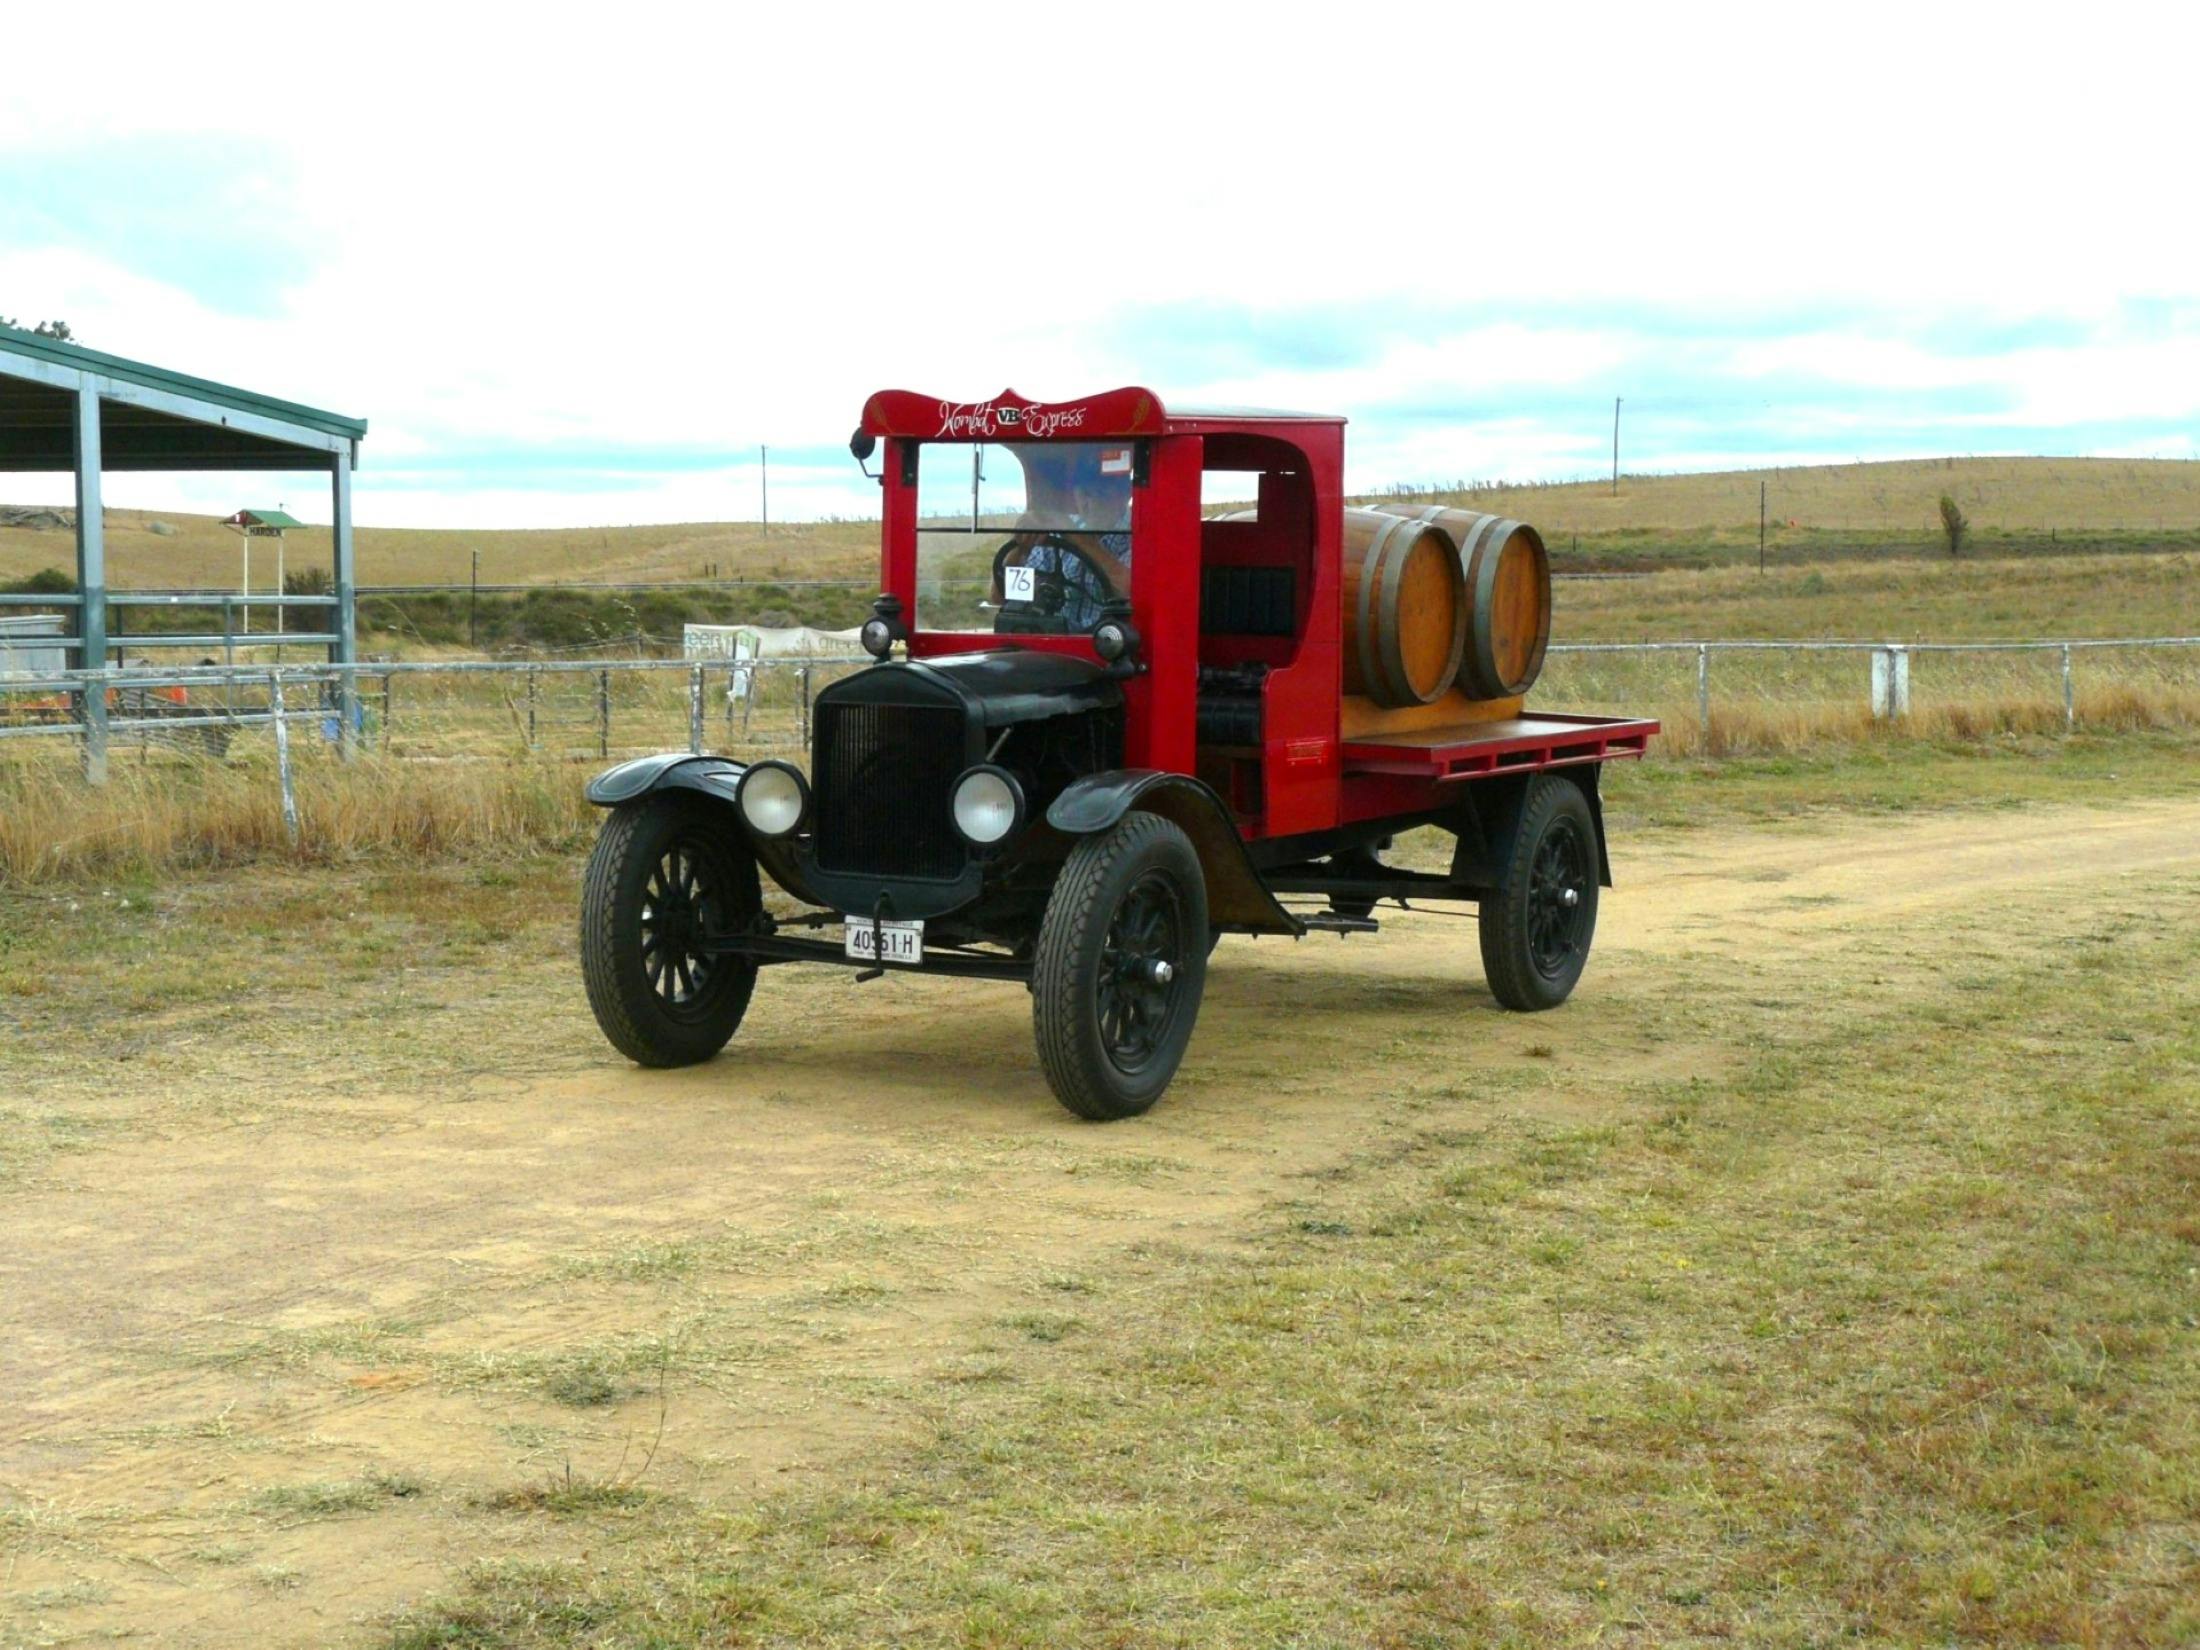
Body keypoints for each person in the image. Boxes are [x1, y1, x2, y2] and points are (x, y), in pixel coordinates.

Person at [997, 445, 1132, 631]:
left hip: (1110, 643)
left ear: (1126, 494)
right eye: (1082, 492)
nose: (1089, 502)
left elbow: (1129, 590)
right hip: (1054, 641)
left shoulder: (1140, 536)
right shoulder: (1058, 536)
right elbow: (1001, 596)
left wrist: (1075, 536)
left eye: (1100, 493)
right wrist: (1020, 548)